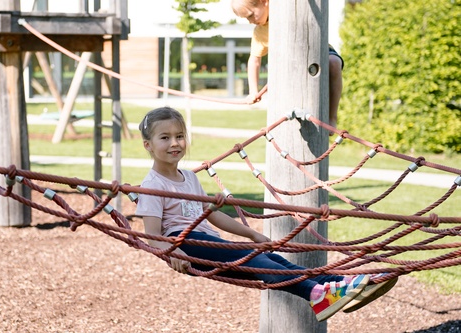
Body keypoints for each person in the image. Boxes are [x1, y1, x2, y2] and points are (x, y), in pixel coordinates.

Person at [135, 106, 375, 322]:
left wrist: (251, 233)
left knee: (271, 261)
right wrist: (173, 252)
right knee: (256, 261)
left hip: (207, 241)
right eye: (164, 138)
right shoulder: (152, 186)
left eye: (179, 136)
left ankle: (336, 284)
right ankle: (317, 294)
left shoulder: (189, 178)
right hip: (184, 242)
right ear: (148, 145)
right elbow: (153, 235)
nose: (174, 143)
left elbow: (213, 215)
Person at [231, 0, 343, 129]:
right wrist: (253, 91)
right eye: (246, 18)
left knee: (333, 63)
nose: (250, 21)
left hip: (315, 50)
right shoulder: (260, 32)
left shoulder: (285, 6)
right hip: (290, 63)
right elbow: (254, 60)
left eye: (251, 15)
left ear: (264, 2)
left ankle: (332, 116)